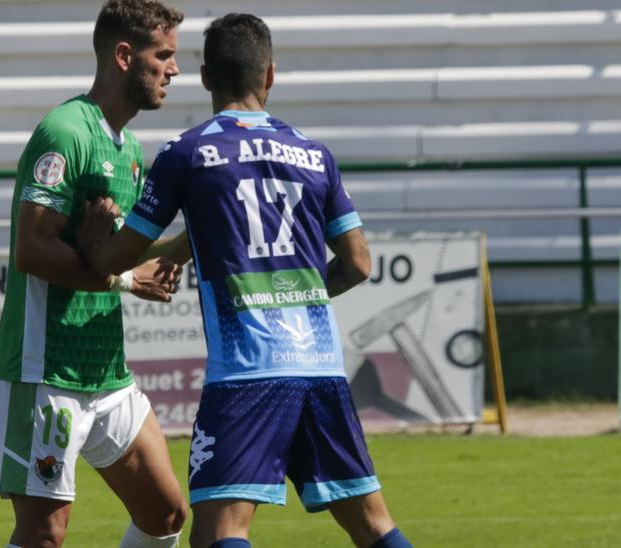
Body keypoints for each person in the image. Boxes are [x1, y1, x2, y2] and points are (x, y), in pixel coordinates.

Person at [79, 14, 411, 548]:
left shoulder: (188, 153)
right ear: (270, 76)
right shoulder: (314, 154)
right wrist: (294, 290)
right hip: (320, 367)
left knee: (217, 532)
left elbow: (117, 256)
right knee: (372, 523)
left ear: (206, 76)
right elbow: (357, 264)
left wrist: (95, 243)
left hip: (247, 371)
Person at [0, 0, 191, 546]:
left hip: (105, 372)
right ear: (125, 56)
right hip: (44, 370)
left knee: (166, 513)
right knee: (45, 534)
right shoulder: (65, 132)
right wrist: (127, 280)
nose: (174, 69)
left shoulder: (129, 147)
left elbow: (107, 252)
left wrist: (195, 232)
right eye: (164, 56)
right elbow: (32, 250)